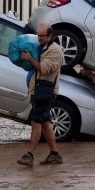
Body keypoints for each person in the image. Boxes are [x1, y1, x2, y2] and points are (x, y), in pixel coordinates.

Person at [17, 23, 64, 166]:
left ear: (50, 36)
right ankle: (54, 154)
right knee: (45, 123)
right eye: (38, 35)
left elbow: (43, 69)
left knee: (35, 122)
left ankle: (29, 155)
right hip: (38, 90)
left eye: (42, 36)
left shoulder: (55, 51)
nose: (39, 38)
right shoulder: (43, 47)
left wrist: (30, 58)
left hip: (46, 92)